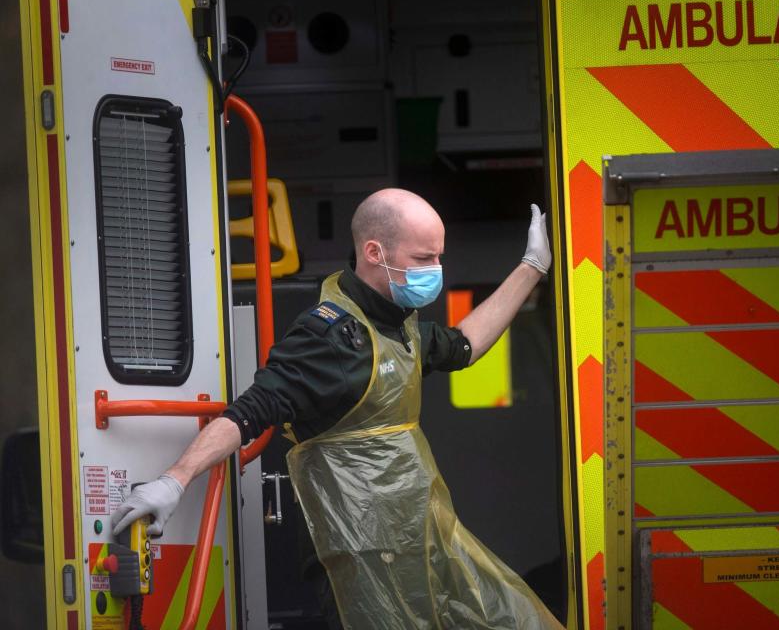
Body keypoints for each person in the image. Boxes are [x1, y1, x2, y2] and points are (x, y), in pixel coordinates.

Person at [112, 189, 563, 629]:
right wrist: (175, 479)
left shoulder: (395, 323)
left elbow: (463, 345)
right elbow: (250, 411)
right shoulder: (327, 339)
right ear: (373, 252)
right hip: (362, 557)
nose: (436, 270)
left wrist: (532, 266)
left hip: (422, 534)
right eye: (424, 259)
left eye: (439, 257)